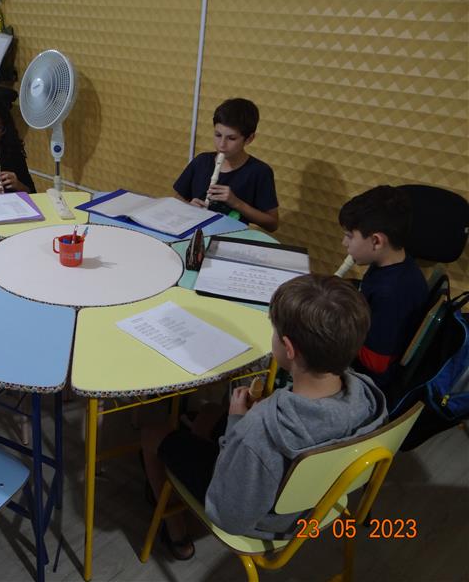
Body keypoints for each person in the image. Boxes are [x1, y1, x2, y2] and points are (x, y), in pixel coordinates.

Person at [140, 274, 387, 560]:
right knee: (208, 414)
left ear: (288, 348)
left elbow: (230, 517)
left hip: (267, 519)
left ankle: (176, 531)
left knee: (151, 433)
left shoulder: (258, 430)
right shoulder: (368, 397)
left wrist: (238, 424)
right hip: (322, 499)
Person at [338, 185, 428, 393]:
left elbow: (375, 362)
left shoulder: (392, 294)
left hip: (367, 382)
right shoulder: (395, 264)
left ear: (376, 241)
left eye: (349, 236)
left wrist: (336, 326)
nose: (344, 243)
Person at [172, 97, 279, 232]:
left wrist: (236, 203)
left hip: (231, 237)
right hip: (194, 232)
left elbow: (272, 224)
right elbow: (177, 198)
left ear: (249, 139)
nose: (222, 145)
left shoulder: (259, 172)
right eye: (218, 135)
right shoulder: (201, 161)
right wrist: (188, 207)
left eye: (231, 138)